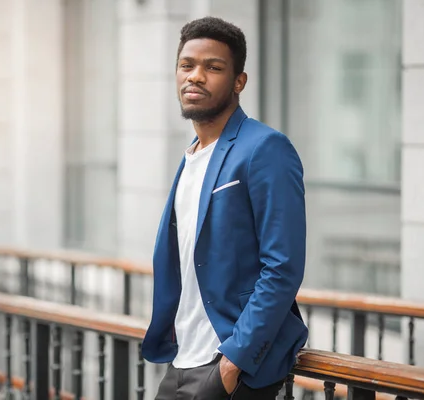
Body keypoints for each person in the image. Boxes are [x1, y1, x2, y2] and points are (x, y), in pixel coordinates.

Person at [141, 16, 309, 399]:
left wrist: (233, 362)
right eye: (187, 65)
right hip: (182, 360)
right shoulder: (191, 157)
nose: (195, 76)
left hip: (229, 365)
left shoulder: (264, 148)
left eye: (212, 67)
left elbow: (282, 266)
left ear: (239, 82)